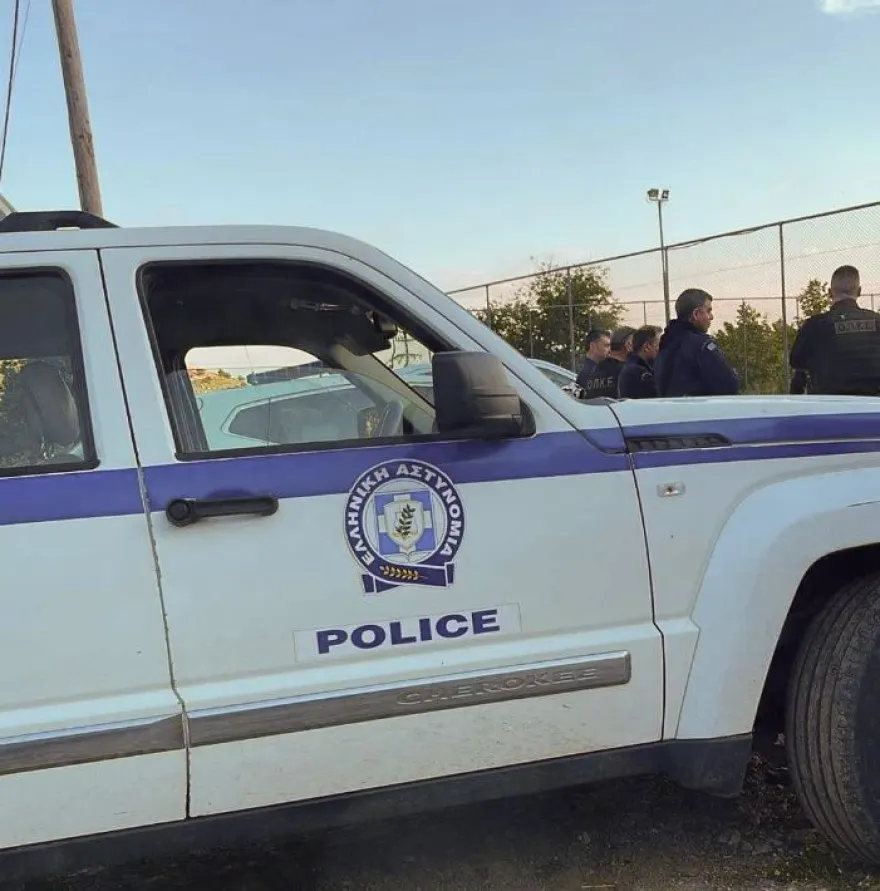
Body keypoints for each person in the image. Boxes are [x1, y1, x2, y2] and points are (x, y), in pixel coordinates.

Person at [788, 265, 880, 395]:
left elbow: (796, 361)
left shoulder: (814, 325)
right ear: (859, 291)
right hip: (873, 402)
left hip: (828, 402)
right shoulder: (877, 321)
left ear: (829, 293)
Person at [654, 289, 739, 397]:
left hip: (666, 405)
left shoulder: (666, 343)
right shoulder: (701, 345)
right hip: (697, 407)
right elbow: (729, 385)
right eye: (708, 311)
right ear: (696, 314)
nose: (711, 317)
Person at [618, 325, 660, 399]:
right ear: (647, 346)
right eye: (659, 344)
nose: (661, 349)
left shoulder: (630, 366)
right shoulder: (641, 374)